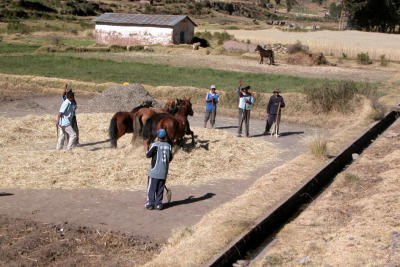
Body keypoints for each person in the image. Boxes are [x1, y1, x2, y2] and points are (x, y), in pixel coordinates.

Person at [145, 129, 173, 211]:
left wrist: (146, 145)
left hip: (154, 172)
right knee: (160, 189)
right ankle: (158, 204)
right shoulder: (169, 146)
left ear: (158, 137)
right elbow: (170, 158)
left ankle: (150, 204)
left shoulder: (155, 145)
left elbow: (148, 155)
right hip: (163, 172)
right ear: (165, 137)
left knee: (151, 189)